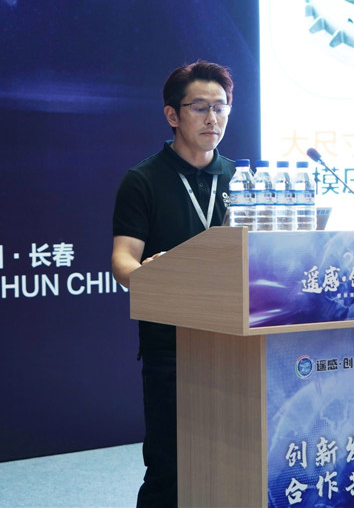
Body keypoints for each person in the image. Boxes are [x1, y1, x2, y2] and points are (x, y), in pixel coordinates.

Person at [111, 60, 237, 508]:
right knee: (171, 467)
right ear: (172, 115)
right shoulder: (143, 180)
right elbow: (122, 259)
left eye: (220, 107)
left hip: (235, 340)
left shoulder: (241, 180)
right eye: (200, 107)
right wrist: (149, 275)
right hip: (172, 344)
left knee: (235, 461)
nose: (212, 118)